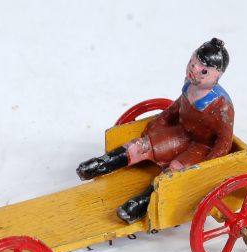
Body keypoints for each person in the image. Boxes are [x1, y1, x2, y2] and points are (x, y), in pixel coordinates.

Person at [76, 38, 234, 224]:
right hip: (181, 134)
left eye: (204, 70)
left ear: (217, 76)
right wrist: (161, 121)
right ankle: (103, 163)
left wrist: (207, 168)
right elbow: (177, 107)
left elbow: (224, 141)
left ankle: (142, 202)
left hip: (201, 146)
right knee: (141, 145)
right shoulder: (190, 86)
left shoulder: (221, 106)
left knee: (174, 171)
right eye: (192, 63)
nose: (194, 70)